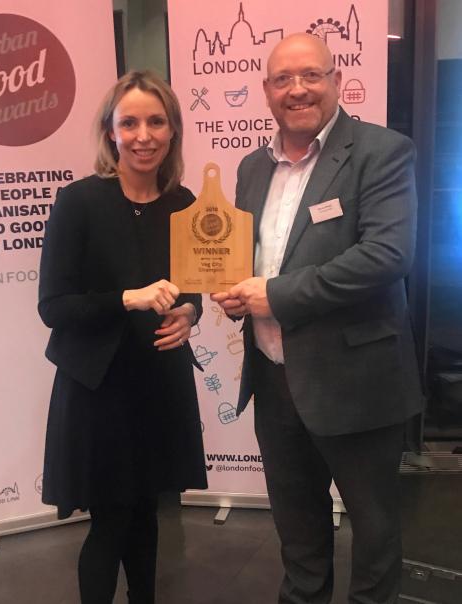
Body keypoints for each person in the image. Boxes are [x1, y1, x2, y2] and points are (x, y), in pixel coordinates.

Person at [212, 33, 424, 604]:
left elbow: (386, 255)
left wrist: (275, 295)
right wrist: (237, 291)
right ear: (266, 91)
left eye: (311, 75)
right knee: (298, 529)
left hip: (357, 382)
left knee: (374, 530)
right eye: (283, 79)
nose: (297, 89)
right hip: (275, 380)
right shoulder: (252, 168)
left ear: (336, 80)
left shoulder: (382, 151)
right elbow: (256, 259)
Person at [38, 70, 207, 604]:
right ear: (110, 132)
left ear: (173, 130)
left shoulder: (185, 204)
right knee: (111, 520)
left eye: (156, 122)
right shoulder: (78, 202)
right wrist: (127, 298)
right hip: (99, 390)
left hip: (160, 383)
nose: (143, 135)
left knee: (148, 512)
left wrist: (190, 313)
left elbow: (192, 288)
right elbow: (53, 308)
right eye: (129, 123)